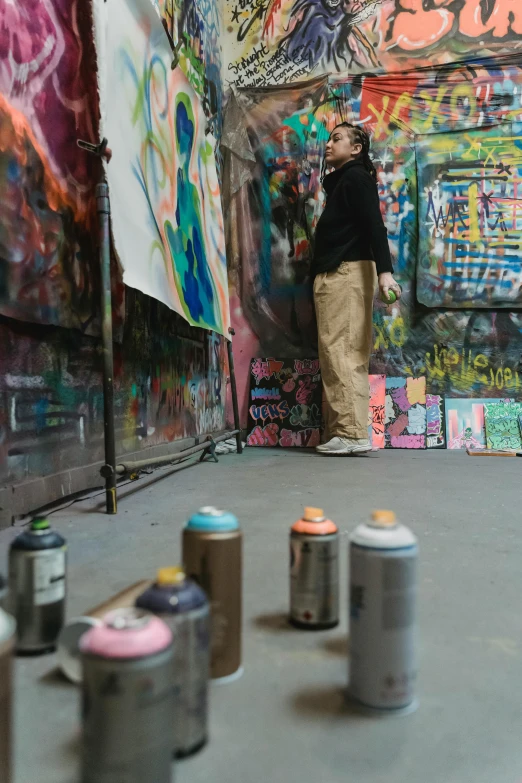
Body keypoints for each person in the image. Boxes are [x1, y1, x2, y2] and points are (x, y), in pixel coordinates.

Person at [311, 122, 401, 455]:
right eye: (330, 139)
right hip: (342, 272)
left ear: (357, 148)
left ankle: (350, 434)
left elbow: (374, 226)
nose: (329, 145)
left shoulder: (355, 178)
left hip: (345, 273)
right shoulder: (345, 182)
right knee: (342, 350)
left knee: (342, 350)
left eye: (337, 139)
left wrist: (386, 274)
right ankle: (345, 432)